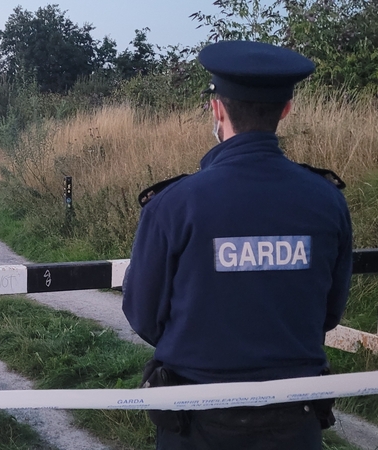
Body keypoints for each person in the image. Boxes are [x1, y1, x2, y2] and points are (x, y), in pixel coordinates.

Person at [122, 40, 353, 450]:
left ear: (217, 109)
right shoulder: (327, 201)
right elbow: (330, 312)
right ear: (286, 109)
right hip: (295, 418)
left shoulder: (175, 204)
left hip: (196, 421)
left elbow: (143, 316)